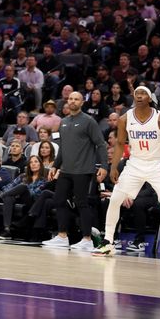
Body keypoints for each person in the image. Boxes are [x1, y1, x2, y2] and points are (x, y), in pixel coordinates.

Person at [94, 86, 160, 262]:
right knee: (115, 199)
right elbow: (120, 144)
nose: (139, 96)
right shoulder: (124, 119)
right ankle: (108, 242)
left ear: (150, 98)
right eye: (137, 94)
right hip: (134, 165)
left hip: (157, 166)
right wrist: (113, 167)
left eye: (143, 94)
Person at [43, 91, 108, 251]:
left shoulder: (89, 121)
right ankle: (62, 236)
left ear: (82, 102)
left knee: (81, 203)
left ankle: (87, 239)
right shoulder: (63, 122)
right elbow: (63, 148)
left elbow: (101, 144)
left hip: (83, 170)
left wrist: (104, 167)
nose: (72, 101)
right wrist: (55, 166)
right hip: (66, 170)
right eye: (70, 99)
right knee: (58, 200)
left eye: (76, 99)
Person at [0, 155, 47, 240]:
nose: (33, 164)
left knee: (23, 187)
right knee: (8, 197)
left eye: (36, 162)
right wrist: (15, 192)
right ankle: (7, 230)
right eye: (31, 162)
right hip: (18, 199)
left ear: (40, 164)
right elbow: (7, 188)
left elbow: (35, 194)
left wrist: (19, 191)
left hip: (32, 203)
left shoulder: (44, 180)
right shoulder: (23, 176)